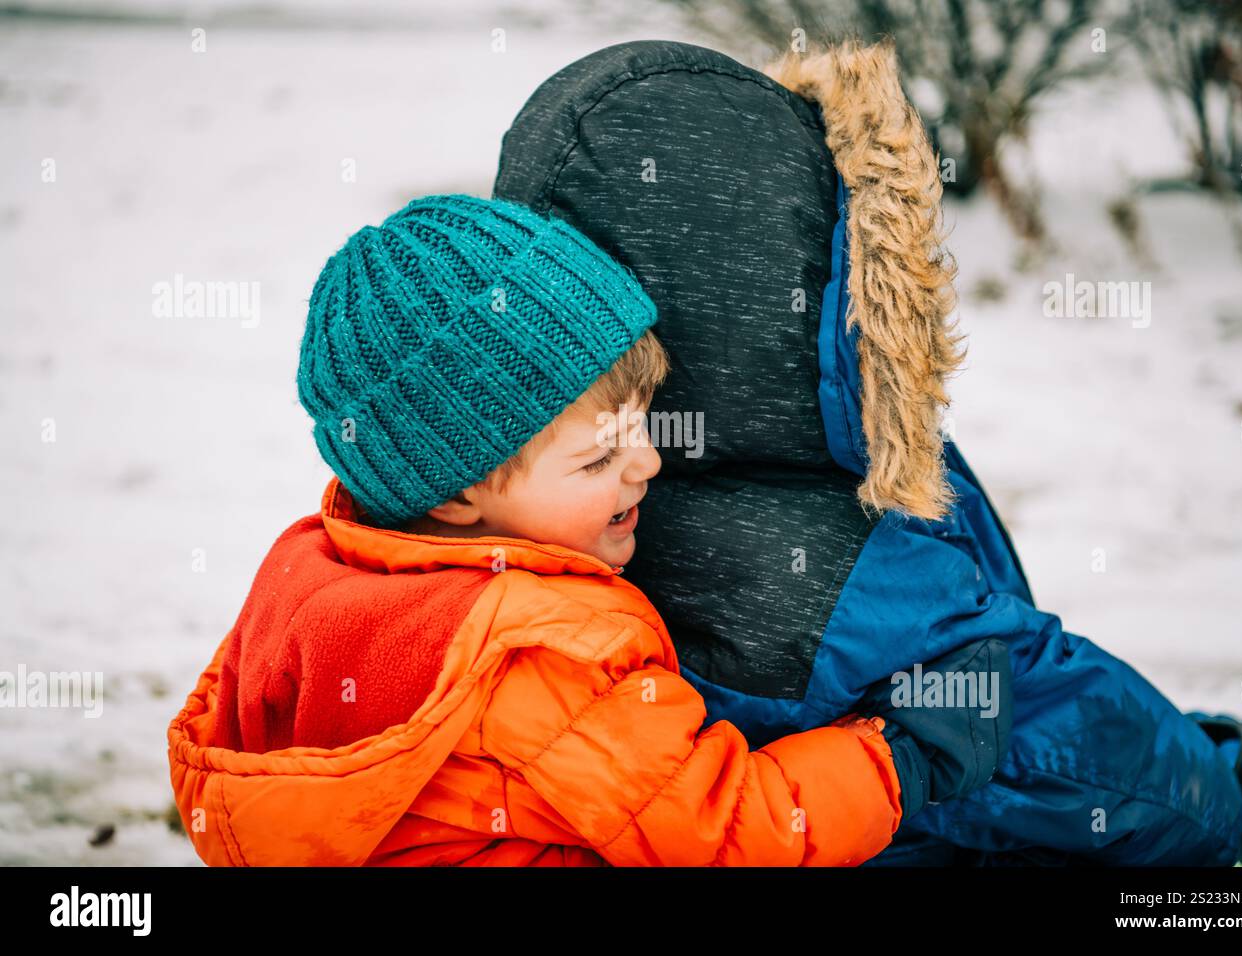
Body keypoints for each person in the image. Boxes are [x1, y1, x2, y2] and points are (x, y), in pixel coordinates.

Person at [167, 193, 1011, 866]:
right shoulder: (544, 658)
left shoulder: (310, 572)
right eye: (598, 458)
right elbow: (731, 834)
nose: (646, 462)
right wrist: (905, 754)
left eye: (643, 419)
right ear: (459, 495)